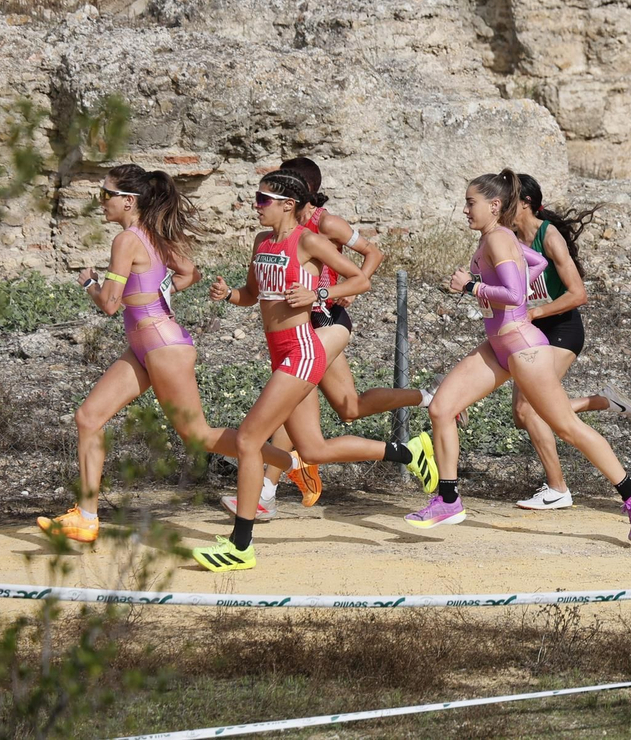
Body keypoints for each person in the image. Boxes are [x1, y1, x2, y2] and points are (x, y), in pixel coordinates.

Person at [189, 170, 436, 572]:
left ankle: (240, 544)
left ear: (288, 204)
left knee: (250, 439)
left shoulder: (308, 240)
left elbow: (361, 281)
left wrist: (319, 293)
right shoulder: (261, 242)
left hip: (303, 351)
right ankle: (409, 452)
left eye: (262, 199)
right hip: (280, 353)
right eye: (257, 198)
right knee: (313, 450)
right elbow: (253, 295)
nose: (256, 205)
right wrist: (229, 294)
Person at [37, 165, 299, 543]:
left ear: (129, 200)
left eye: (106, 194)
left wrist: (91, 284)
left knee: (198, 435)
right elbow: (189, 272)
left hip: (162, 346)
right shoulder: (152, 236)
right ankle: (87, 517)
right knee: (88, 417)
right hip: (147, 346)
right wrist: (159, 292)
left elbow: (110, 305)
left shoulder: (127, 240)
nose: (101, 202)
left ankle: (290, 462)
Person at [417, 170, 631, 541]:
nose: (465, 210)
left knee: (566, 427)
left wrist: (470, 285)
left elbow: (514, 295)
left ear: (494, 206)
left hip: (523, 347)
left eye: (470, 203)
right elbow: (538, 264)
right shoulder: (501, 238)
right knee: (442, 408)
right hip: (499, 345)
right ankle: (448, 499)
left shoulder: (498, 239)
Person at [237, 156, 428, 520]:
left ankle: (266, 491)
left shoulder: (323, 224)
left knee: (283, 397)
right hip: (300, 324)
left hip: (326, 320)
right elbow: (252, 290)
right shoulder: (269, 238)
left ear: (297, 193)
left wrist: (339, 291)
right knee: (348, 408)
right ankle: (413, 435)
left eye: (270, 195)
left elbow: (373, 254)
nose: (263, 201)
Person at [509, 173, 631, 510]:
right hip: (530, 329)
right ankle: (606, 402)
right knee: (525, 413)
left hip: (561, 329)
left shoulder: (548, 236)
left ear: (524, 202)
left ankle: (558, 488)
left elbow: (578, 294)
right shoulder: (507, 237)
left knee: (529, 407)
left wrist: (536, 314)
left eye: (505, 197)